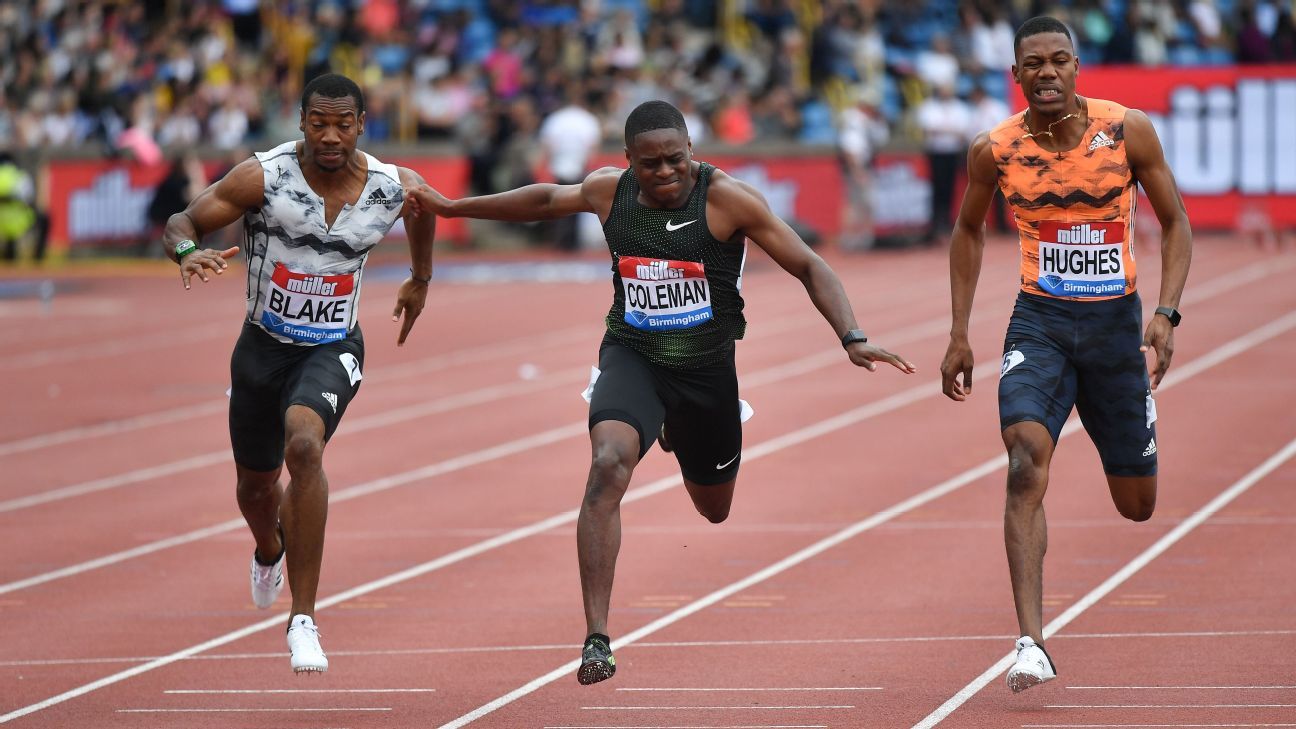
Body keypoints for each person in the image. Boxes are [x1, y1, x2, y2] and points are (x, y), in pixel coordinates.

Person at [405, 100, 916, 685]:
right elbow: (545, 200)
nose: (666, 172)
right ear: (629, 163)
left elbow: (808, 264)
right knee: (607, 465)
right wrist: (452, 207)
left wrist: (852, 335)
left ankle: (677, 429)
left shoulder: (727, 200)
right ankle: (597, 637)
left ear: (693, 151)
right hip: (633, 355)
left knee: (714, 509)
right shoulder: (608, 192)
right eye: (651, 165)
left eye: (676, 159)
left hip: (705, 376)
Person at [939, 17, 1192, 693]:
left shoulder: (1126, 130)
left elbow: (1175, 222)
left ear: (1077, 66)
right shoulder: (993, 149)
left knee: (1137, 506)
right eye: (1033, 64)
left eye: (1058, 61)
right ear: (1016, 75)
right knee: (1024, 459)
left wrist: (1165, 313)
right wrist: (959, 331)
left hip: (1114, 331)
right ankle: (1031, 641)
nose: (1046, 72)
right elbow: (967, 231)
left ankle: (1130, 423)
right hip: (1040, 325)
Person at [162, 73, 436, 674]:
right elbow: (181, 222)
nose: (331, 135)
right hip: (261, 350)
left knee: (304, 446)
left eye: (343, 124)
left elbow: (423, 210)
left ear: (362, 124)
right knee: (256, 490)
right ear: (302, 123)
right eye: (319, 123)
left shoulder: (393, 187)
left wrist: (421, 276)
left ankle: (303, 618)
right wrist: (189, 252)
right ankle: (268, 548)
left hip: (334, 345)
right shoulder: (263, 177)